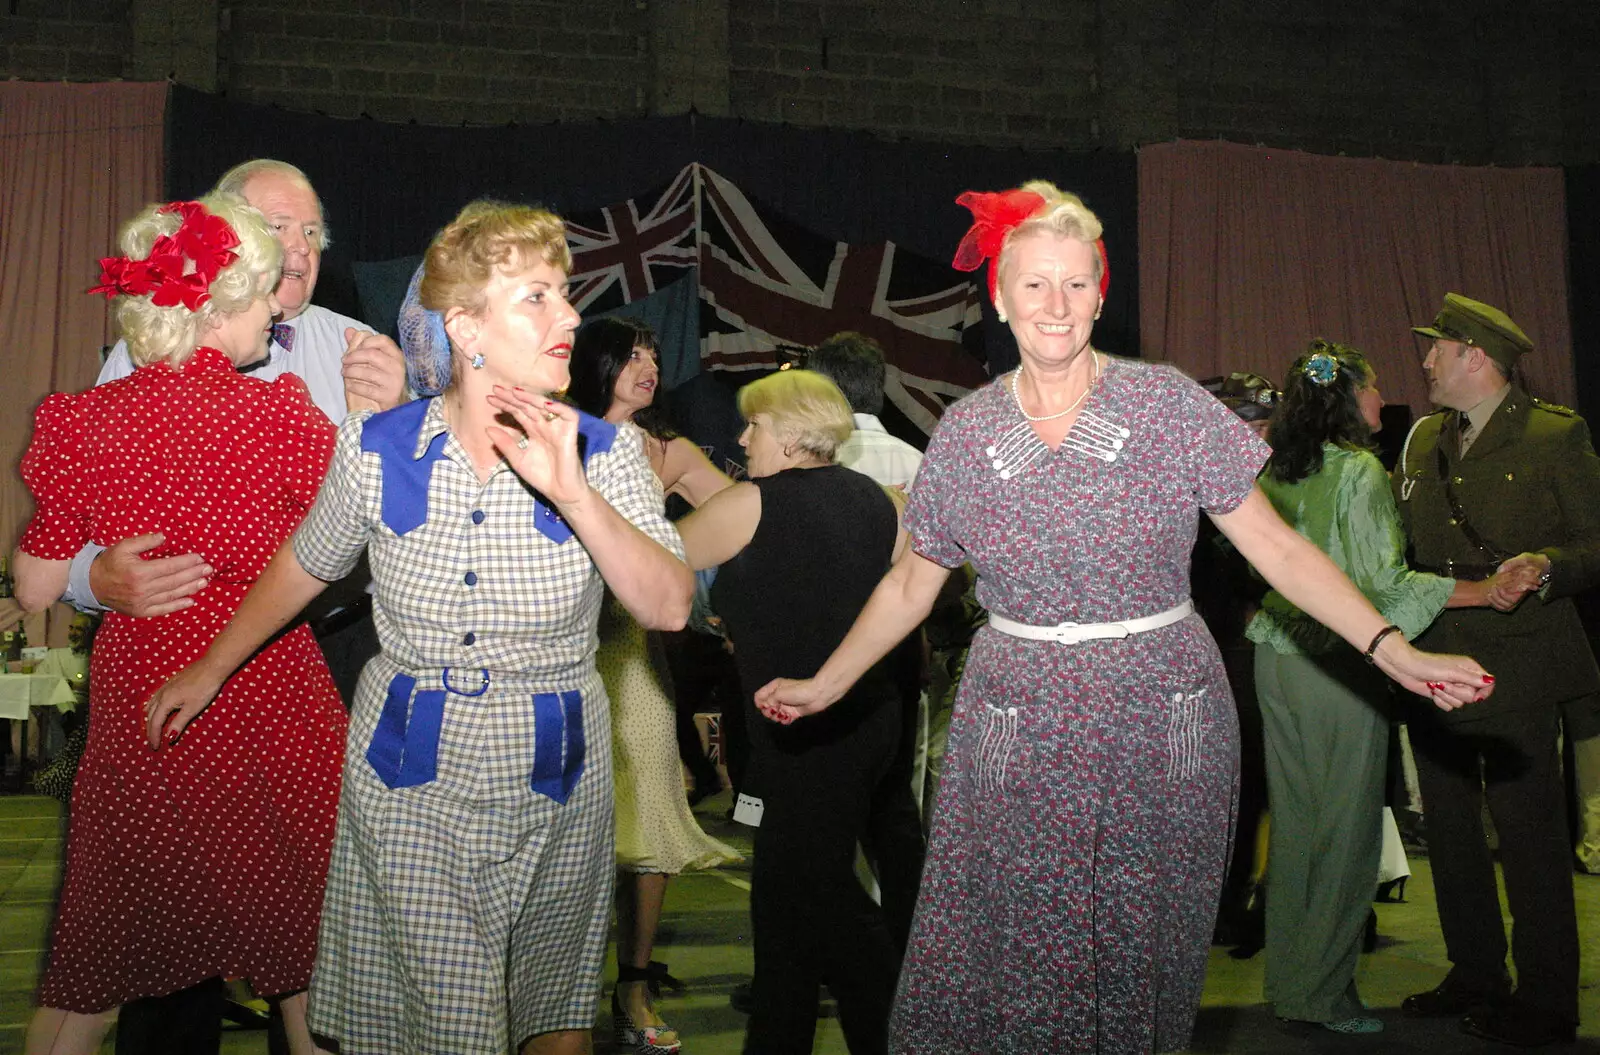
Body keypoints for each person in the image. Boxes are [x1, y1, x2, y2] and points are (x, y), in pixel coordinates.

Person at [755, 182, 1495, 1054]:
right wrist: (825, 682)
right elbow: (910, 586)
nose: (1056, 305)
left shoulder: (1168, 407)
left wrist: (1389, 647)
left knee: (1143, 963)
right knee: (1012, 959)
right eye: (1034, 284)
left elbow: (1280, 550)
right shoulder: (965, 432)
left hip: (1159, 713)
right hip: (1016, 722)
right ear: (1000, 295)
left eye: (1076, 283)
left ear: (1101, 293)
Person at [145, 199, 693, 1055]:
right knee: (455, 1022)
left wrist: (574, 494)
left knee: (554, 1012)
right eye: (539, 296)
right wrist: (211, 668)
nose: (572, 317)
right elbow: (305, 564)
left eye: (566, 294)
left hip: (558, 767)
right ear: (467, 327)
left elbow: (669, 604)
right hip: (410, 770)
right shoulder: (372, 446)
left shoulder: (606, 452)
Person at [12, 194, 346, 1055]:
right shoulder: (280, 419)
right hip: (269, 696)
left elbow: (37, 579)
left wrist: (103, 568)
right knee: (307, 959)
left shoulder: (82, 422)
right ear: (222, 302)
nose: (277, 309)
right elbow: (342, 549)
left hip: (146, 709)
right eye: (267, 290)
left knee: (99, 961)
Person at [1247, 339, 1533, 1034]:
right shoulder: (1359, 472)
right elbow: (1385, 587)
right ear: (1350, 399)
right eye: (1373, 387)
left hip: (1274, 656)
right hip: (1337, 665)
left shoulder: (1275, 466)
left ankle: (1289, 983)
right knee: (1346, 835)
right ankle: (1325, 994)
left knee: (1297, 829)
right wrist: (1481, 590)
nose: (1383, 399)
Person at [65, 158, 407, 705]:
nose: (300, 248)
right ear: (227, 235)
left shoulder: (364, 347)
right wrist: (91, 579)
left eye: (312, 231)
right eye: (278, 227)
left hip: (344, 645)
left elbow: (420, 513)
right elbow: (74, 505)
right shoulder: (149, 350)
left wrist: (401, 420)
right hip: (177, 645)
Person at [676, 369, 908, 1055]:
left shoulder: (748, 504)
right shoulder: (883, 501)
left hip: (805, 731)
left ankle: (904, 1028)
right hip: (869, 724)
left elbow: (648, 567)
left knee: (816, 895)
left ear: (786, 429)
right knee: (785, 896)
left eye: (754, 425)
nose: (745, 437)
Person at [1392, 293, 1600, 1047]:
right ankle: (1475, 971)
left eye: (1437, 348)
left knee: (1529, 836)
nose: (1426, 361)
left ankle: (1547, 999)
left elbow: (1595, 543)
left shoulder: (1553, 435)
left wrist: (1547, 566)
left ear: (1477, 355)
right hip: (1433, 659)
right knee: (1449, 833)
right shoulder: (1421, 444)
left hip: (1520, 664)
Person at [566, 315, 740, 1055]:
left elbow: (740, 507)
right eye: (629, 355)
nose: (647, 366)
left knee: (652, 818)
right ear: (593, 362)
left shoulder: (665, 449)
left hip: (633, 652)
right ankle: (560, 989)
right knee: (567, 830)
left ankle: (631, 984)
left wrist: (683, 553)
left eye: (650, 354)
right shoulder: (553, 433)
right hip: (562, 652)